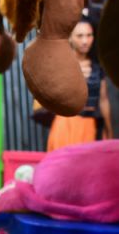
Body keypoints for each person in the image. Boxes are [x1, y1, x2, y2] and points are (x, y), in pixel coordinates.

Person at [46, 15, 112, 151]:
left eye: (89, 35)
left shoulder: (97, 68)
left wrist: (108, 130)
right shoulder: (60, 65)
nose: (85, 41)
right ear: (70, 37)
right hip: (65, 125)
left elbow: (103, 101)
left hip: (90, 124)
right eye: (80, 36)